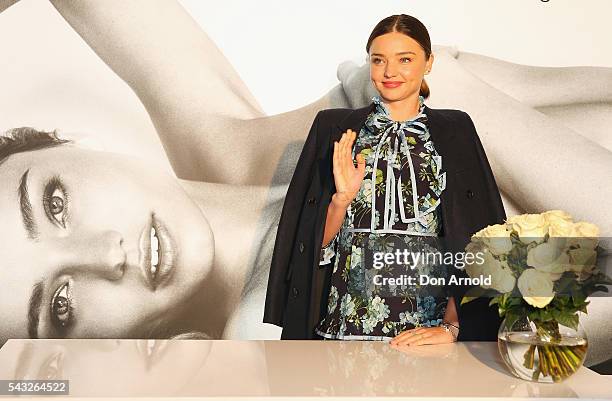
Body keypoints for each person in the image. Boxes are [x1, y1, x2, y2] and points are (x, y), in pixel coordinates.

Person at [0, 0, 610, 365]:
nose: (105, 255)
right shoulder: (306, 344)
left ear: (68, 144)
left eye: (54, 203)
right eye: (59, 305)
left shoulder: (220, 144)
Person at [263, 14, 507, 343]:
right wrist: (340, 201)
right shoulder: (334, 129)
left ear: (429, 62)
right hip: (342, 327)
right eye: (379, 60)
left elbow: (480, 235)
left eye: (405, 59)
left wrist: (452, 327)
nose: (390, 72)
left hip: (425, 332)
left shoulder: (456, 130)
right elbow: (308, 246)